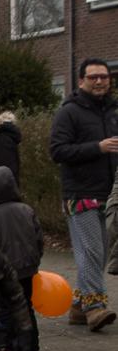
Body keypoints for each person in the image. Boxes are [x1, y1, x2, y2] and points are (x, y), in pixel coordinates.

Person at [48, 60, 118, 331]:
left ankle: (77, 306)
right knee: (91, 251)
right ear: (81, 81)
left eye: (104, 77)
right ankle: (95, 306)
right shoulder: (69, 112)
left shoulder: (113, 111)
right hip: (80, 194)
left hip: (109, 194)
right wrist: (97, 147)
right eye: (93, 77)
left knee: (99, 254)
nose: (99, 81)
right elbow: (57, 151)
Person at [0, 166, 45, 351]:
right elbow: (38, 239)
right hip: (26, 269)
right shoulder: (26, 210)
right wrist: (35, 260)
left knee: (5, 310)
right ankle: (32, 350)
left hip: (1, 273)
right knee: (26, 307)